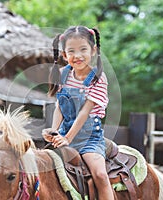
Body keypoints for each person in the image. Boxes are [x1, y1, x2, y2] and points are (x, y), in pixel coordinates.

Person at [42, 26, 114, 199]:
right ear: (65, 55)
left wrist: (67, 138)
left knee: (100, 176)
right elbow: (60, 106)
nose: (78, 56)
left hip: (89, 139)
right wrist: (55, 132)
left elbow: (84, 113)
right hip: (65, 135)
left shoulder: (98, 78)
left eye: (83, 50)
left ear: (93, 51)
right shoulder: (62, 75)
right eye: (71, 51)